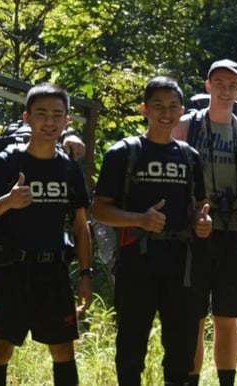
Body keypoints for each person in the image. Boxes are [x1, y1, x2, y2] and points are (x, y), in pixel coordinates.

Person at [91, 76, 212, 386]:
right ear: (144, 109)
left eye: (172, 107)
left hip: (180, 267)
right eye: (158, 106)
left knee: (181, 349)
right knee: (131, 346)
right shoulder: (123, 153)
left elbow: (199, 207)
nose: (165, 113)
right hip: (136, 265)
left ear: (182, 111)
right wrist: (139, 220)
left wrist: (202, 222)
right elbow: (99, 209)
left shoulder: (189, 157)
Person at [0, 82, 93, 386]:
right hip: (12, 270)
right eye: (41, 114)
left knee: (64, 349)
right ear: (27, 117)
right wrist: (8, 202)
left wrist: (86, 275)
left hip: (54, 271)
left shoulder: (68, 168)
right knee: (0, 350)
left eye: (56, 115)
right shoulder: (6, 163)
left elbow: (80, 225)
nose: (48, 122)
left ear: (67, 120)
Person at [172, 59, 237, 386]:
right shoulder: (188, 125)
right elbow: (170, 174)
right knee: (194, 317)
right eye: (218, 83)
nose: (225, 89)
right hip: (195, 234)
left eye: (232, 84)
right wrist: (189, 216)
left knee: (227, 317)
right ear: (208, 85)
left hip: (232, 231)